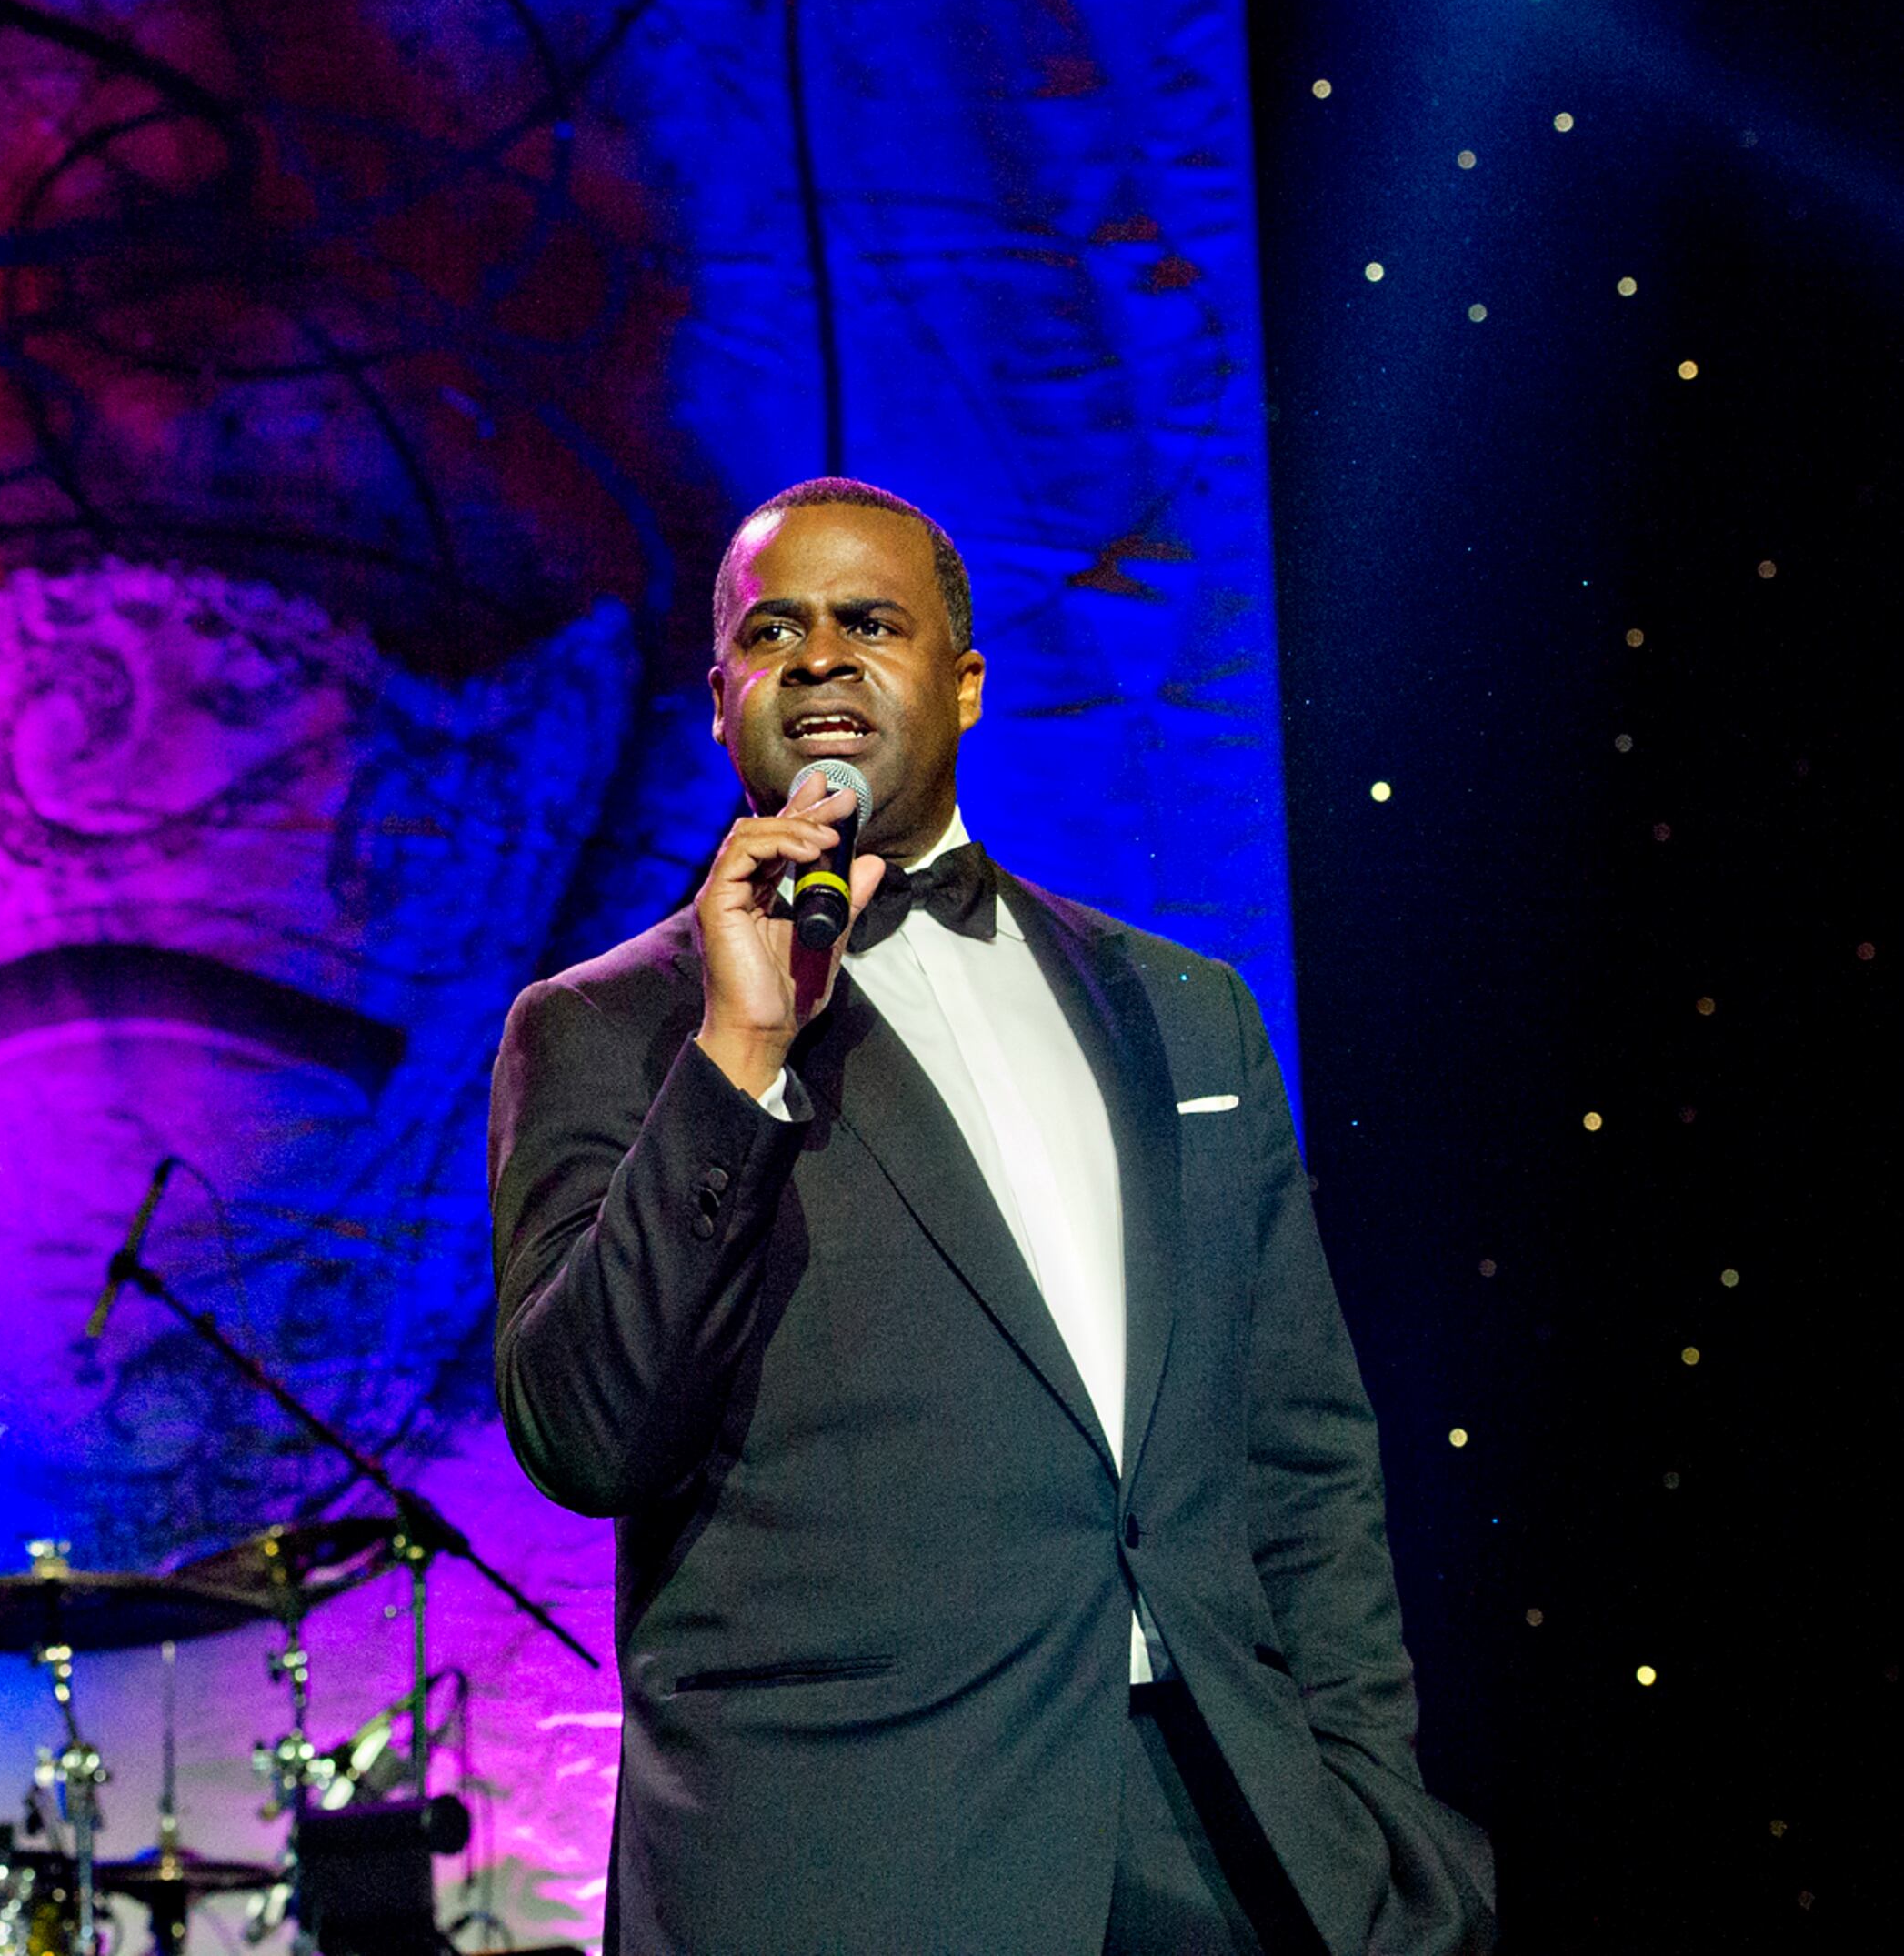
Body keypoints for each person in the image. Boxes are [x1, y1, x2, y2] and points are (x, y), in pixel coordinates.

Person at [488, 481, 1495, 1954]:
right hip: (854, 1867)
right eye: (775, 631)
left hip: (1233, 1838)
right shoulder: (608, 1028)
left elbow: (1302, 1451)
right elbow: (584, 1437)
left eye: (870, 623)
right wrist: (739, 1055)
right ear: (722, 703)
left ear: (962, 684)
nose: (821, 656)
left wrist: (1368, 1808)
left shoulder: (1184, 1010)